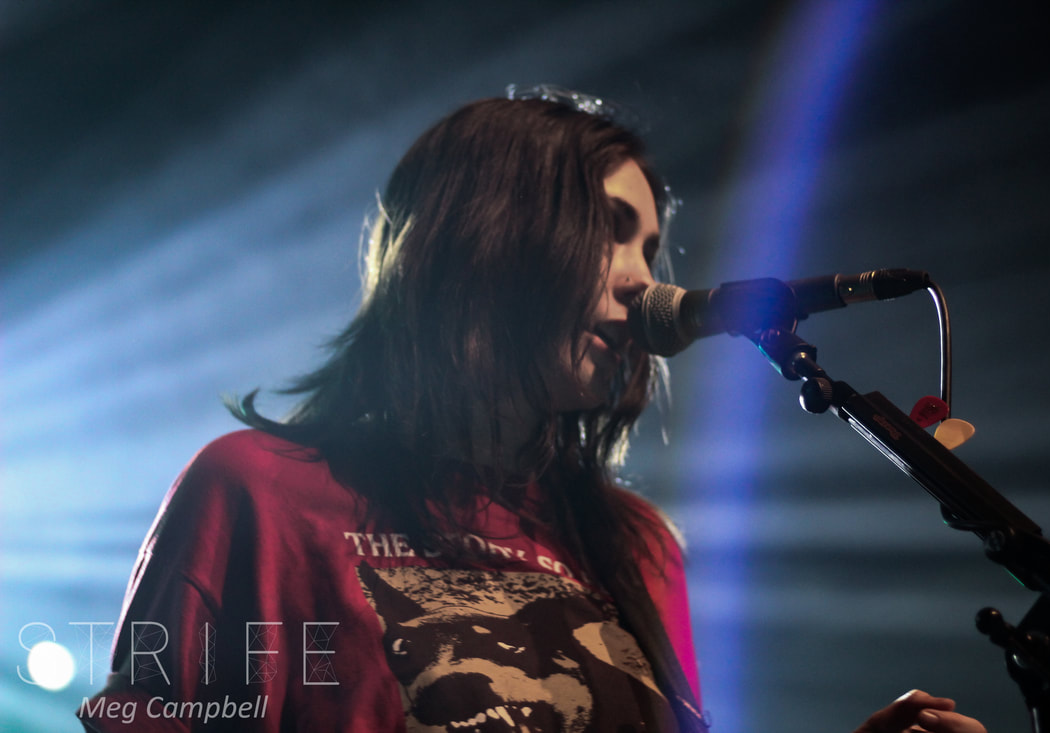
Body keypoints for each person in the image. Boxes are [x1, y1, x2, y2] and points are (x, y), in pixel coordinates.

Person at [78, 87, 986, 732]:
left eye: (652, 247)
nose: (644, 281)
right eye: (610, 231)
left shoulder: (637, 545)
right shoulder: (257, 491)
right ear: (487, 237)